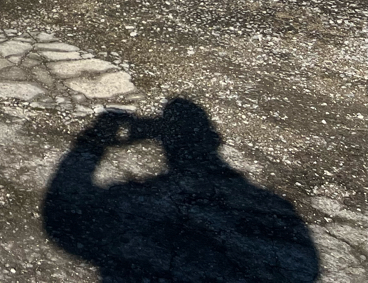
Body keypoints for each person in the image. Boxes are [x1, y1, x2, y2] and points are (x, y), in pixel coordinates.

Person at [42, 98, 318, 282]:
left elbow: (62, 211)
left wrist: (102, 130)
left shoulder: (133, 199)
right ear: (214, 138)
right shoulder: (273, 208)